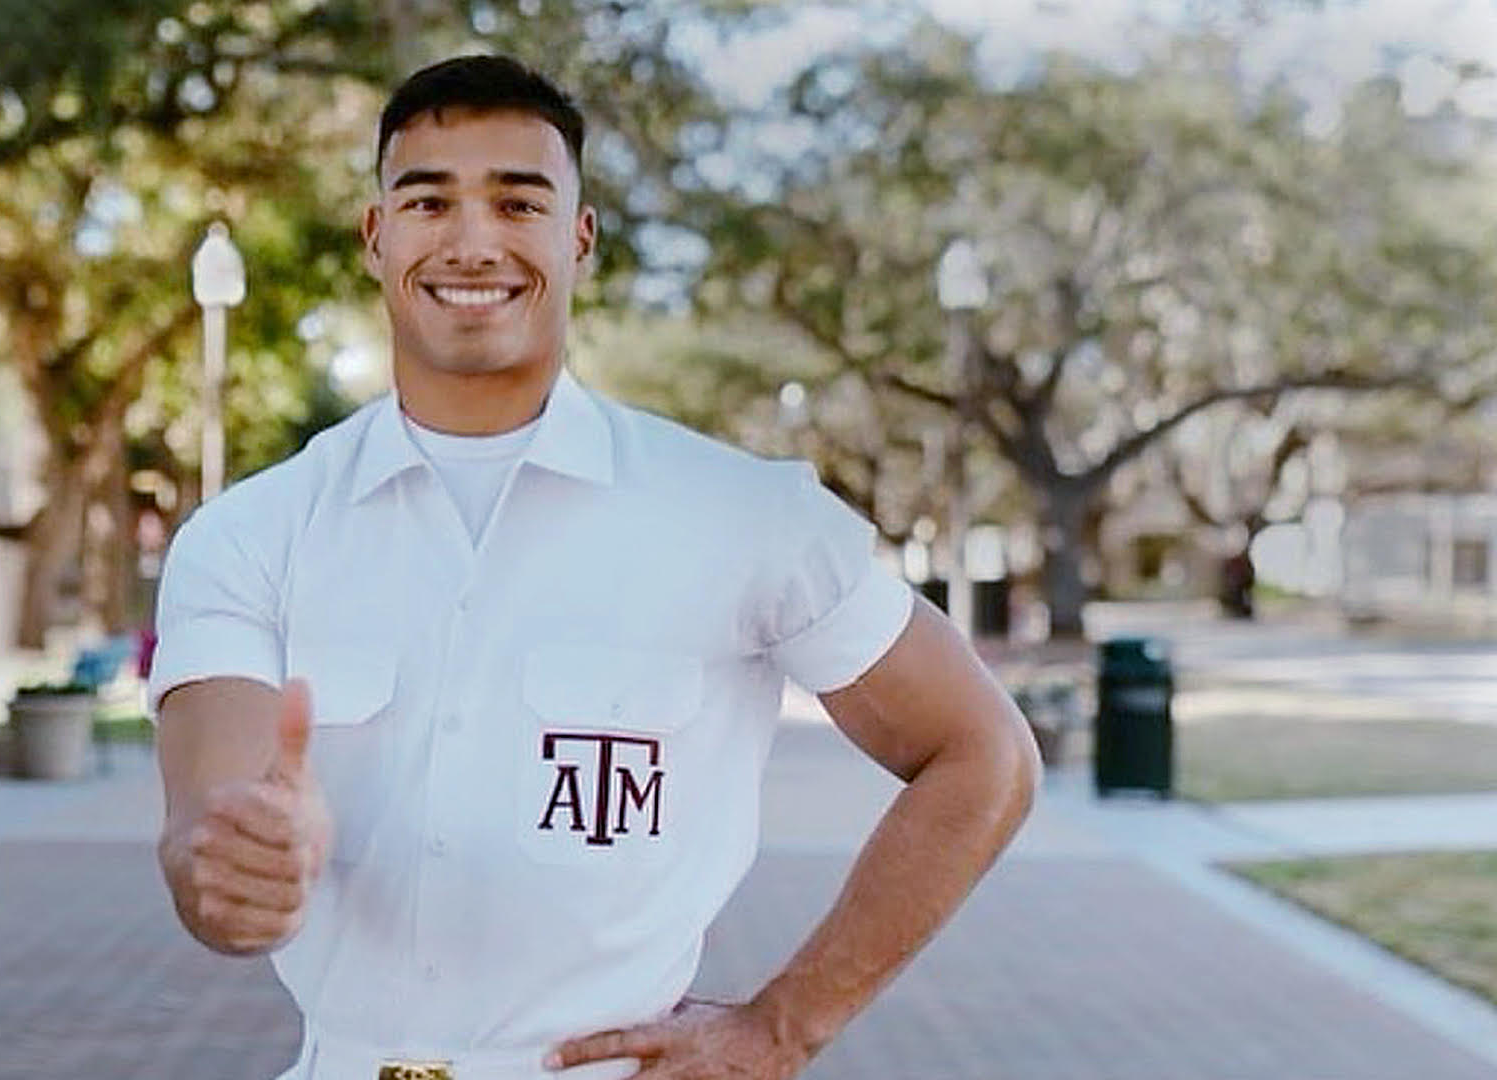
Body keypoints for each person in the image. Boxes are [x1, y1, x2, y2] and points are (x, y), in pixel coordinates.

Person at [149, 55, 1040, 1080]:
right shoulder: (251, 532)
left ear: (580, 238)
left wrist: (783, 1026)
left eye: (518, 202)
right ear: (375, 234)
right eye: (428, 199)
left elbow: (985, 753)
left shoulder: (741, 514)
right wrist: (235, 870)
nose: (472, 240)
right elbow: (201, 845)